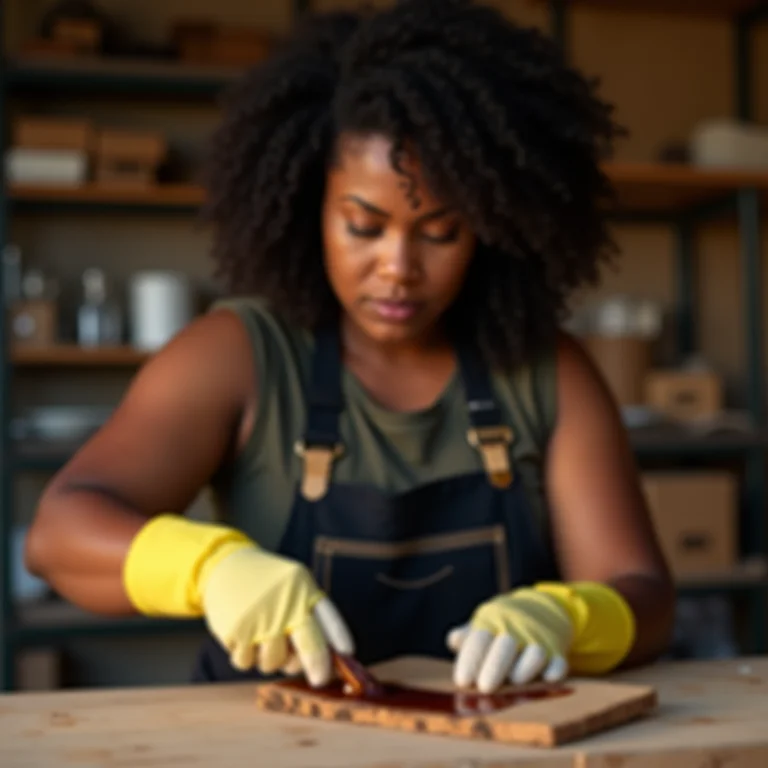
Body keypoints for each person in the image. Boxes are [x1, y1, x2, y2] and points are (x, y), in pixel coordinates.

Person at [25, 0, 675, 693]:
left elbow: (647, 597)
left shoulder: (548, 370)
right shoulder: (238, 355)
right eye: (363, 226)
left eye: (440, 232)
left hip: (483, 748)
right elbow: (58, 534)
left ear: (491, 228)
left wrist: (570, 617)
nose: (399, 266)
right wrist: (208, 568)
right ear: (312, 209)